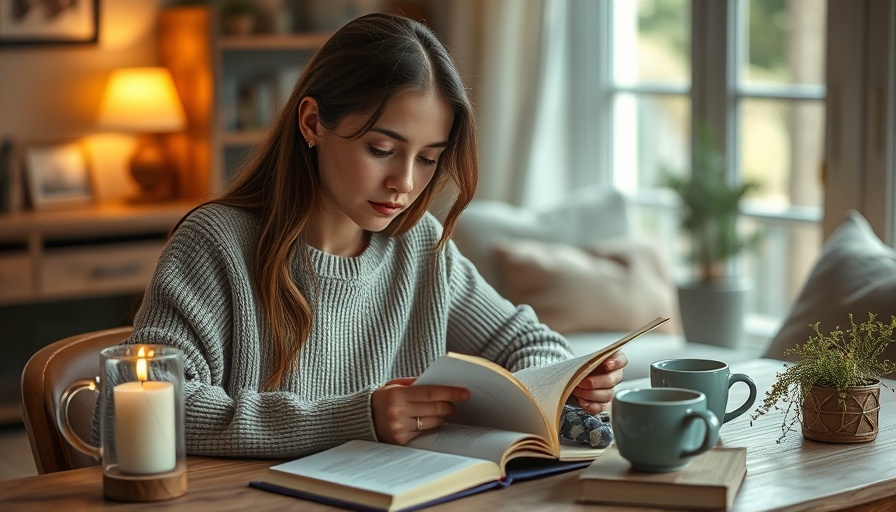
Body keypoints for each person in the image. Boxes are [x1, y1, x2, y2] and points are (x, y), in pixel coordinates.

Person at [127, 12, 627, 458]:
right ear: (312, 122)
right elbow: (152, 405)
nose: (405, 184)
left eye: (428, 159)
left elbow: (529, 341)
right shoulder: (215, 244)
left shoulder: (419, 245)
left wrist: (563, 383)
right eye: (382, 148)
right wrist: (355, 417)